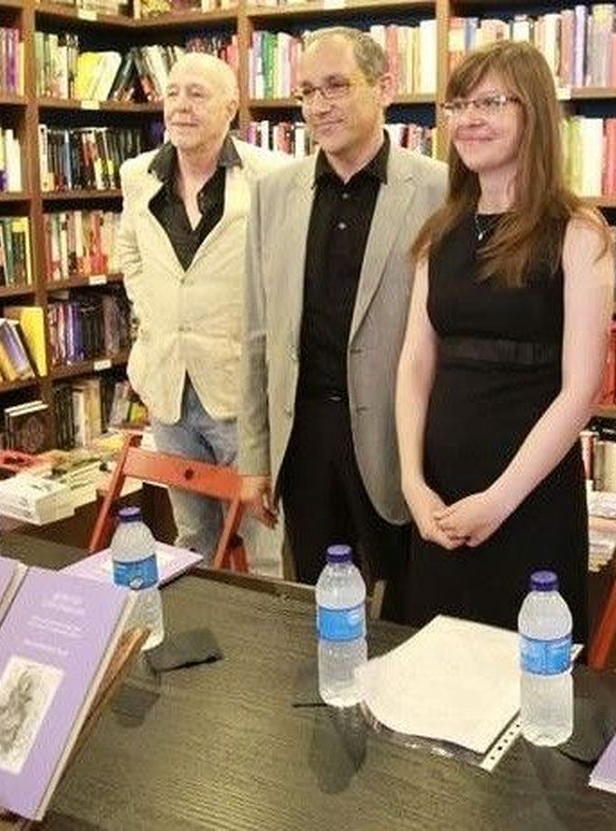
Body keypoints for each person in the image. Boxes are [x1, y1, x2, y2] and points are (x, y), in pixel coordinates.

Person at [394, 40, 612, 629]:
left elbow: (581, 389)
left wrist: (501, 498)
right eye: (458, 104)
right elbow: (415, 364)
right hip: (438, 496)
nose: (468, 119)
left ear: (533, 112)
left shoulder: (578, 232)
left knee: (529, 673)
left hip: (529, 497)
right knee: (436, 667)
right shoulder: (439, 232)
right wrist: (413, 483)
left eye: (489, 102)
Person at [240, 27, 448, 621]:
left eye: (336, 86)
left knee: (406, 605)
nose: (319, 106)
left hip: (396, 437)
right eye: (307, 92)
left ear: (385, 87)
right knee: (315, 604)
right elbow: (257, 332)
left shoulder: (438, 188)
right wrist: (255, 456)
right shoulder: (274, 193)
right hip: (302, 437)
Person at [115, 52, 289, 557]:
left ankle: (264, 636)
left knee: (264, 540)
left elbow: (285, 272)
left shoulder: (271, 176)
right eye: (173, 94)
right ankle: (202, 634)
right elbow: (130, 250)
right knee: (192, 538)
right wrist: (150, 309)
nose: (181, 107)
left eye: (197, 94)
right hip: (167, 386)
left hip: (241, 389)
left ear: (230, 107)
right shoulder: (138, 174)